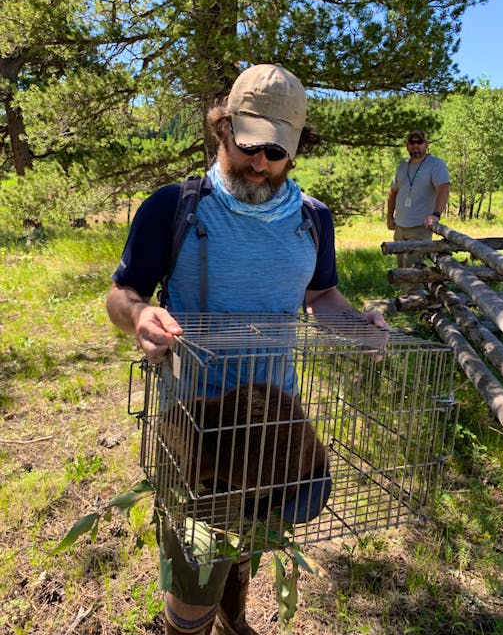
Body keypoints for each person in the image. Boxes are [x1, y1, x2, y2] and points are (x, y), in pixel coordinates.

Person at [106, 63, 387, 635]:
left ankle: (235, 620)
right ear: (222, 128)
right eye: (247, 142)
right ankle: (191, 624)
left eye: (275, 151)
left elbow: (323, 297)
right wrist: (139, 315)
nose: (258, 162)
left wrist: (360, 326)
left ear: (295, 150)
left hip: (275, 425)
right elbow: (122, 293)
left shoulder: (313, 220)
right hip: (196, 424)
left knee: (247, 544)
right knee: (194, 565)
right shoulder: (173, 207)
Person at [387, 129, 450, 277]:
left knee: (413, 270)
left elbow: (443, 188)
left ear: (426, 144)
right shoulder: (402, 165)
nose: (415, 145)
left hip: (420, 227)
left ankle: (415, 297)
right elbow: (392, 192)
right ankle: (407, 298)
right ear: (407, 146)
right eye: (412, 142)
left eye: (419, 142)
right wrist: (389, 217)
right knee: (402, 269)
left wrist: (435, 214)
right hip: (400, 226)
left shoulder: (435, 164)